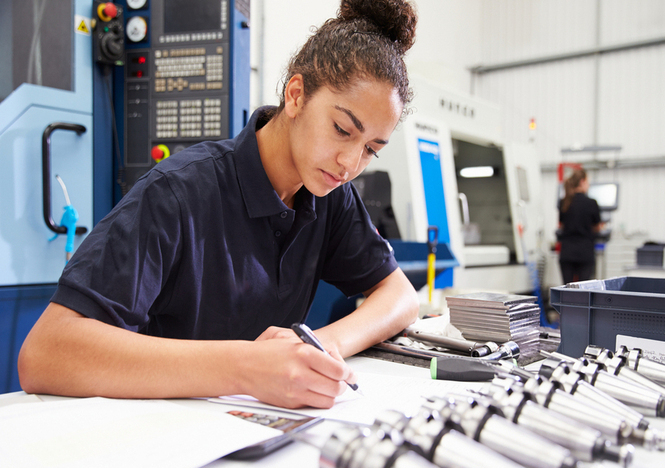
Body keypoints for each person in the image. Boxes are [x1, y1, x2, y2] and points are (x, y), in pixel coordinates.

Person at [18, 0, 420, 409]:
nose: (350, 164)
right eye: (341, 129)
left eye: (371, 149)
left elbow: (400, 296)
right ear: (296, 95)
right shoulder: (178, 193)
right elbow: (45, 353)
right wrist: (246, 367)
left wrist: (321, 344)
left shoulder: (330, 196)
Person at [558, 168, 604, 284]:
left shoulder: (564, 202)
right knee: (583, 291)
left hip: (567, 252)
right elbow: (597, 227)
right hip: (585, 253)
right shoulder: (591, 203)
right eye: (588, 182)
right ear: (582, 182)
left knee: (567, 290)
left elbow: (561, 225)